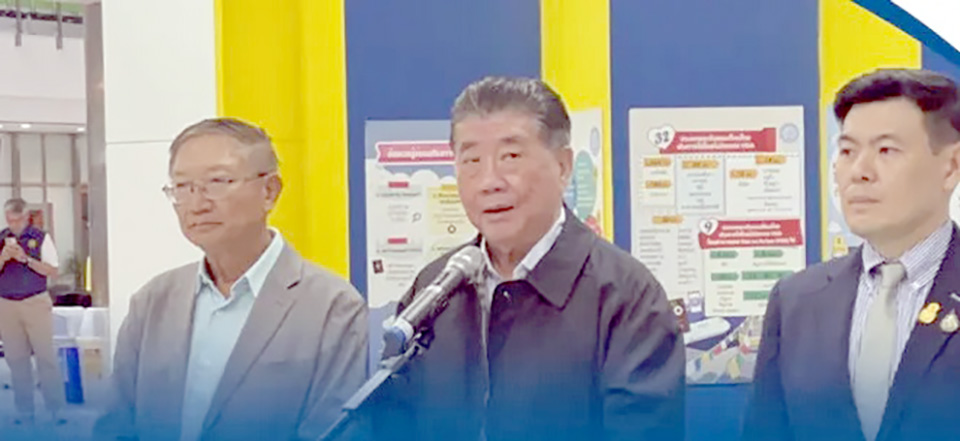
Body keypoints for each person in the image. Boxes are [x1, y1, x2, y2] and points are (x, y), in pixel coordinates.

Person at [372, 77, 684, 441]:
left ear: (563, 166)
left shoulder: (627, 297)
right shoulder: (433, 289)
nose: (489, 181)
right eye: (471, 161)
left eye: (511, 157)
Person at [93, 118, 368, 441]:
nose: (197, 204)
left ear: (269, 191)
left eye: (218, 182)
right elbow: (115, 425)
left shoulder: (332, 307)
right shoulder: (153, 302)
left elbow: (334, 431)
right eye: (183, 187)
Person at [743, 69, 960, 441]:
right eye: (847, 151)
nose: (859, 172)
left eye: (886, 150)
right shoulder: (797, 302)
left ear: (951, 167)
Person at [0, 197, 65, 426]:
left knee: (45, 355)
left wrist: (25, 259)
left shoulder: (41, 238)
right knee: (16, 359)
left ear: (27, 217)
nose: (14, 225)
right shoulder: (1, 238)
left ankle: (56, 409)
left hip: (35, 302)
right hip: (7, 304)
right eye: (10, 220)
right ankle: (24, 410)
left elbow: (53, 270)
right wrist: (3, 258)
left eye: (18, 220)